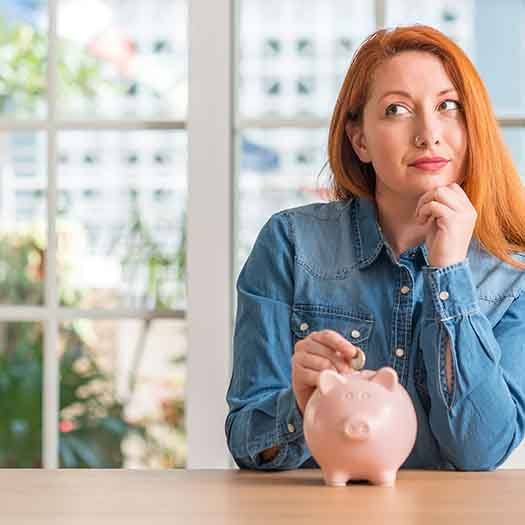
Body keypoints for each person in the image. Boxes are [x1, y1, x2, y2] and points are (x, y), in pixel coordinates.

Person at [225, 24, 525, 471]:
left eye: (448, 106)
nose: (428, 134)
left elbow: (480, 452)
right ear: (359, 140)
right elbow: (247, 442)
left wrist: (449, 273)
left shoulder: (511, 271)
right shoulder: (290, 243)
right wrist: (300, 406)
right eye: (398, 110)